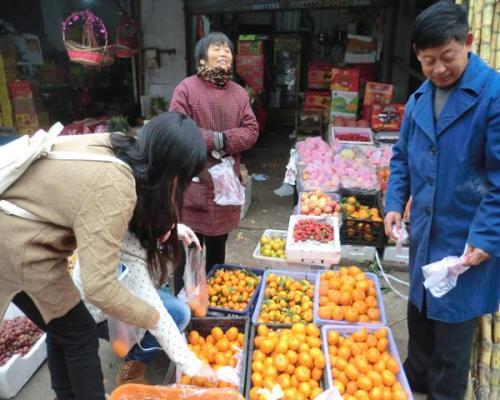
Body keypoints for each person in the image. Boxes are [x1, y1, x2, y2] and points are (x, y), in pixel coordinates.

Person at [0, 112, 215, 400]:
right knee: (79, 332)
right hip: (16, 244)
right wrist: (181, 353)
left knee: (63, 324)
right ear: (171, 172)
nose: (183, 189)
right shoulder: (116, 186)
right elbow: (99, 286)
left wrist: (172, 228)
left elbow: (118, 231)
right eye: (185, 178)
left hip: (21, 235)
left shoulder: (122, 150)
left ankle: (63, 396)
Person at [384, 2, 500, 399]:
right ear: (417, 54)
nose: (438, 69)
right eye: (428, 60)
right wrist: (395, 203)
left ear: (467, 43)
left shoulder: (493, 95)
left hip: (464, 243)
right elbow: (401, 156)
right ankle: (411, 388)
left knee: (450, 349)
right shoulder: (419, 99)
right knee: (419, 330)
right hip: (425, 238)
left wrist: (486, 237)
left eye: (447, 58)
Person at [72, 223, 204, 386]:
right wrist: (193, 365)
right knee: (176, 317)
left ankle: (136, 343)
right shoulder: (129, 253)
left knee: (179, 312)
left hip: (120, 291)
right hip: (99, 315)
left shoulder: (129, 221)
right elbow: (158, 318)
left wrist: (174, 230)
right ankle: (131, 370)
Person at [169, 32, 259, 271]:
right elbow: (178, 129)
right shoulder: (186, 89)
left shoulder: (239, 93)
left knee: (217, 257)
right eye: (217, 48)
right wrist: (215, 139)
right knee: (188, 258)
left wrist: (222, 139)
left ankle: (213, 303)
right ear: (202, 57)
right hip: (192, 185)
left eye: (228, 50)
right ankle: (187, 305)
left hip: (225, 187)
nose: (223, 53)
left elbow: (251, 131)